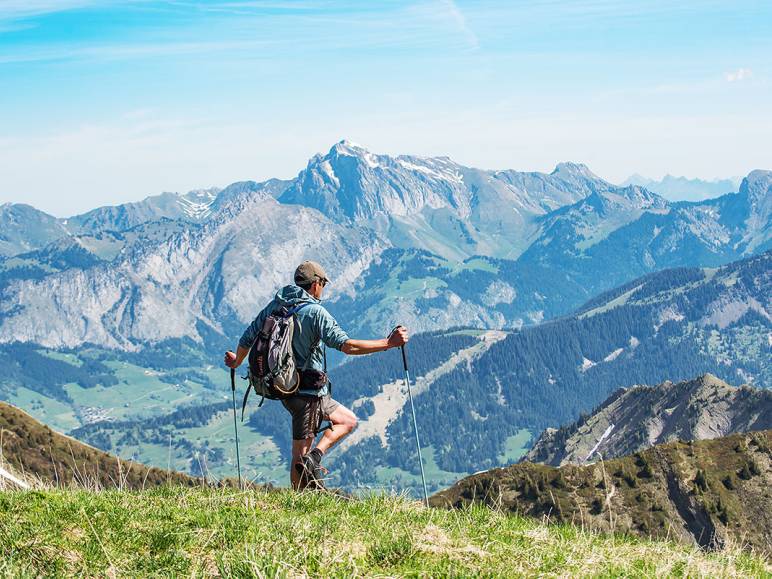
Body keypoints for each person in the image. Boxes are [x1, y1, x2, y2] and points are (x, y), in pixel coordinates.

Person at [224, 260, 409, 490]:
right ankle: (298, 502)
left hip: (286, 388)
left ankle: (315, 459)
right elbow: (347, 346)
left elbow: (247, 337)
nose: (323, 289)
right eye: (323, 284)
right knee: (299, 454)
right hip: (307, 394)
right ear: (315, 284)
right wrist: (388, 343)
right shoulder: (315, 312)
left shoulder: (276, 306)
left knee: (348, 420)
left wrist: (237, 361)